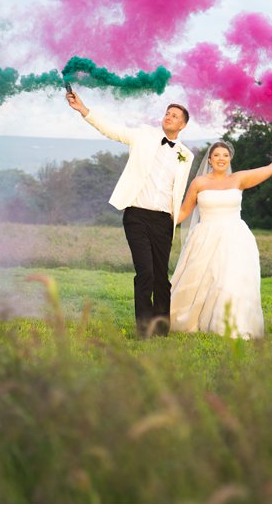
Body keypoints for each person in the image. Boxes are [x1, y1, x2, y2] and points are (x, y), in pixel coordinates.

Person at [66, 89, 195, 337]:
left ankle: (161, 329)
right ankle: (144, 329)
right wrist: (84, 109)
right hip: (136, 215)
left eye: (175, 115)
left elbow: (177, 190)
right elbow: (111, 130)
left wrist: (173, 219)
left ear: (183, 124)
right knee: (145, 272)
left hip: (163, 220)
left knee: (161, 277)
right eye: (167, 113)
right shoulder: (144, 136)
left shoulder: (186, 155)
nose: (168, 117)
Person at [171, 139, 272, 339]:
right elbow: (184, 212)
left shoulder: (239, 179)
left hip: (235, 238)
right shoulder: (199, 183)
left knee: (231, 283)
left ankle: (230, 326)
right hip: (204, 238)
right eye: (216, 155)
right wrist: (157, 219)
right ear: (210, 160)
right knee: (200, 282)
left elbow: (271, 168)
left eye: (225, 155)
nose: (221, 159)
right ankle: (192, 321)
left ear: (230, 158)